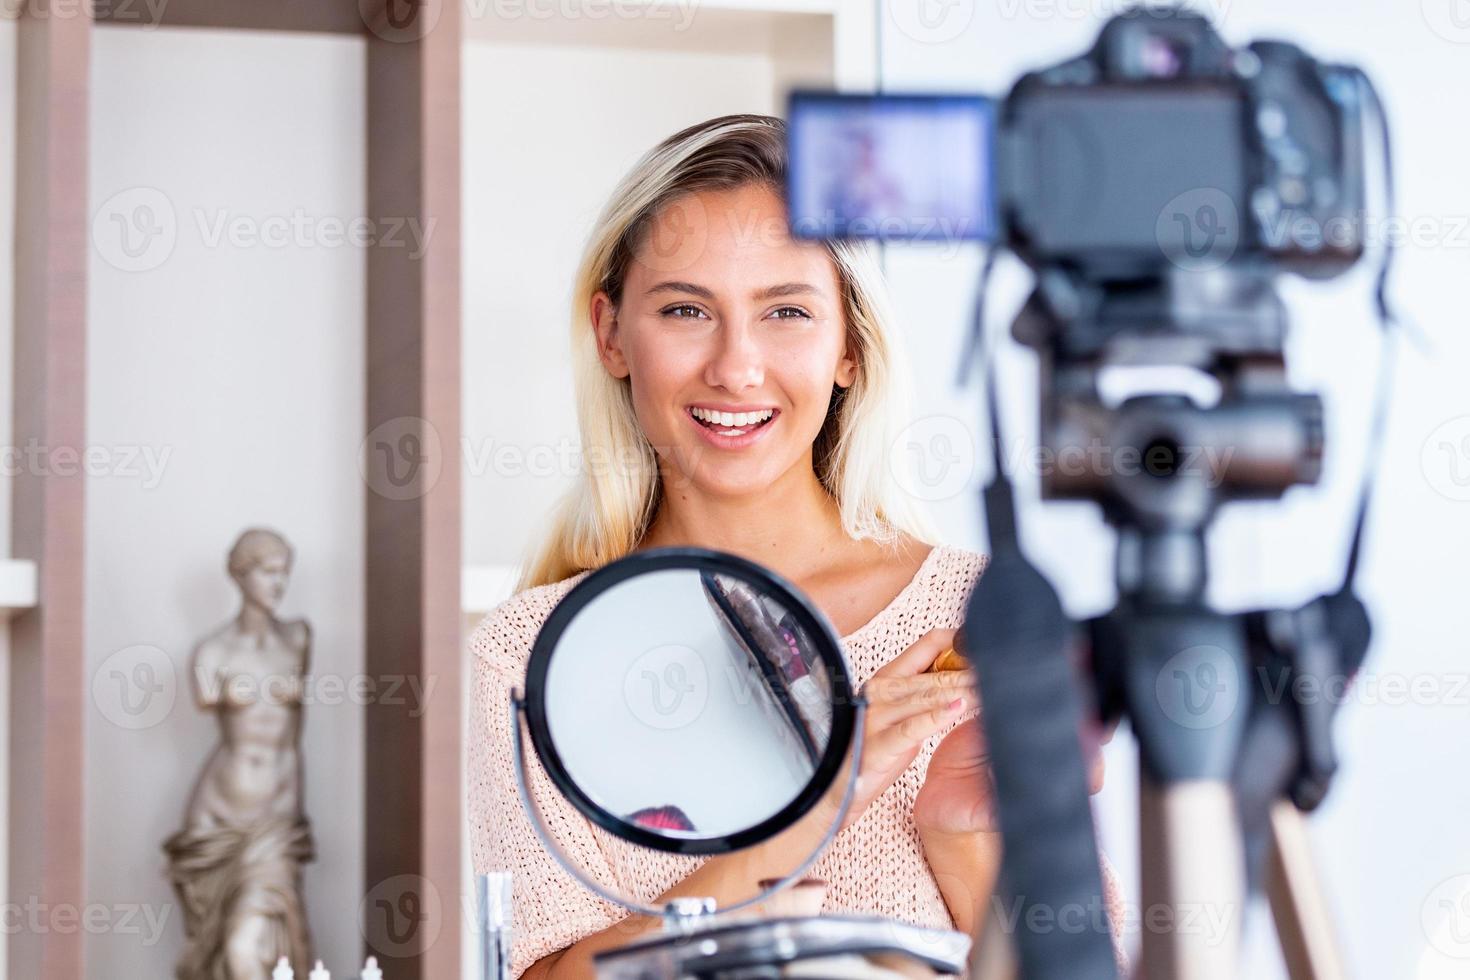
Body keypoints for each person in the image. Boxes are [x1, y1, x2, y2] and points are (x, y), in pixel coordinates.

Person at [466, 114, 1124, 979]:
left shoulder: (977, 626)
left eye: (785, 311)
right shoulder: (522, 663)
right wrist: (819, 808)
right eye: (684, 309)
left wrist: (958, 836)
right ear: (612, 334)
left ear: (849, 345)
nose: (737, 369)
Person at [164, 527, 315, 980]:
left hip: (275, 822)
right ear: (241, 576)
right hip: (216, 819)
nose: (279, 584)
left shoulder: (298, 639)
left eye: (284, 573)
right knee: (222, 955)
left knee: (246, 950)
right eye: (268, 572)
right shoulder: (212, 653)